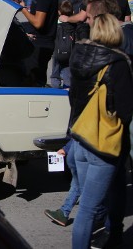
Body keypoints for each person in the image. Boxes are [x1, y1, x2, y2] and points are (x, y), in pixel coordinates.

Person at [67, 13, 133, 249]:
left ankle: (109, 235)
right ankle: (109, 235)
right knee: (89, 208)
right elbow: (126, 110)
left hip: (81, 139)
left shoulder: (80, 56)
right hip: (104, 144)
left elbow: (72, 97)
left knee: (89, 201)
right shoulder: (118, 63)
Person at [21, 0, 58, 87]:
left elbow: (38, 22)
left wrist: (23, 9)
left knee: (33, 82)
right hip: (42, 43)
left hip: (40, 45)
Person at [49, 0, 76, 89]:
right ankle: (67, 88)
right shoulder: (73, 23)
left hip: (57, 51)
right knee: (67, 71)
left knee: (55, 72)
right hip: (69, 52)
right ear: (72, 12)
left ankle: (55, 87)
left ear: (59, 12)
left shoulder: (56, 22)